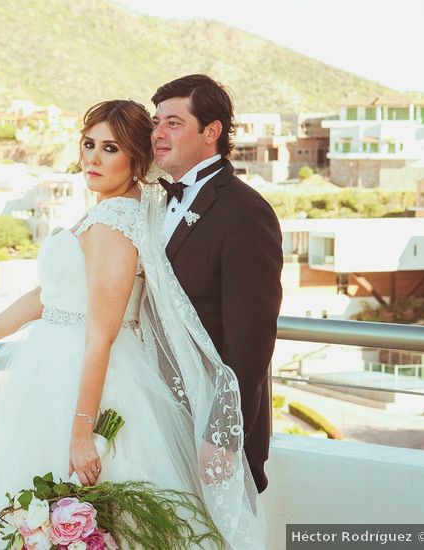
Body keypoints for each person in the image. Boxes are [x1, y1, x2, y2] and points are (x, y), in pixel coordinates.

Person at [0, 98, 266, 549]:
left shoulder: (114, 221)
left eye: (110, 149)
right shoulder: (106, 210)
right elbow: (51, 295)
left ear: (135, 160)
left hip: (83, 380)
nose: (92, 156)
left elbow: (100, 334)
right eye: (89, 144)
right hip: (54, 369)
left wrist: (81, 432)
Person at [151, 74, 282, 494]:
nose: (158, 133)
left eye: (173, 122)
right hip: (158, 414)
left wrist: (222, 435)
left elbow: (252, 339)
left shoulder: (246, 213)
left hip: (209, 428)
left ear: (211, 132)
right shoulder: (154, 201)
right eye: (156, 122)